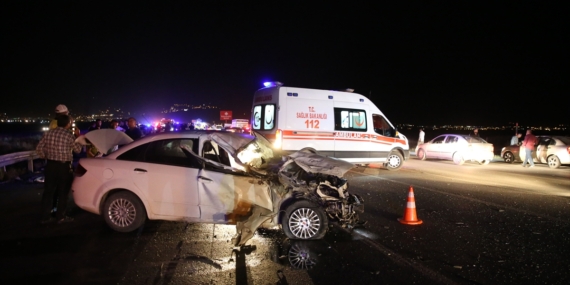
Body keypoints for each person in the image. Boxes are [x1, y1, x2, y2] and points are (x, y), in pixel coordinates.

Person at [36, 114, 83, 224]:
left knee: (48, 192)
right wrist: (77, 136)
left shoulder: (47, 133)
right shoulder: (69, 135)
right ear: (68, 124)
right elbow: (78, 150)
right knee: (63, 192)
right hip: (64, 167)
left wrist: (46, 156)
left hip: (51, 166)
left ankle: (45, 217)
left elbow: (38, 149)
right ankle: (60, 216)